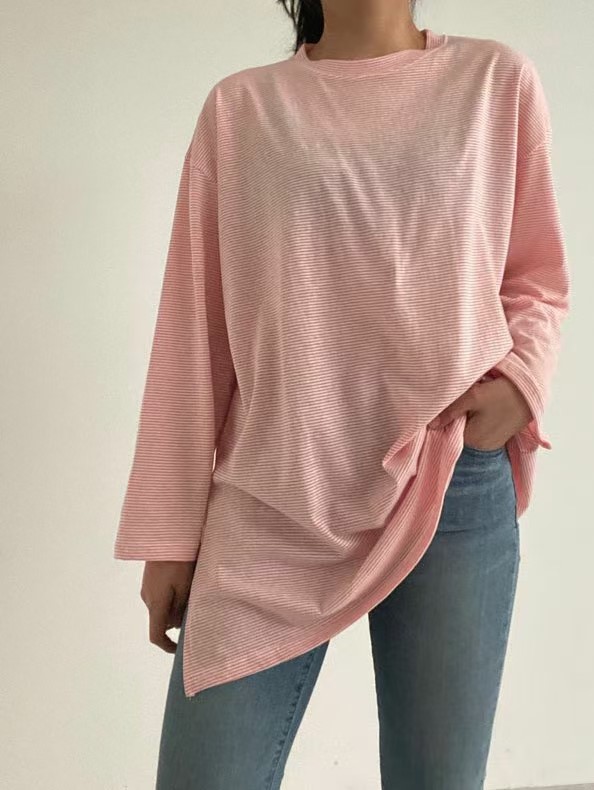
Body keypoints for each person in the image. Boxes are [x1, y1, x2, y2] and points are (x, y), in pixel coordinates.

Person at [113, 1, 571, 787]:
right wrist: (170, 537)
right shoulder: (243, 109)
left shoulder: (494, 80)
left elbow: (537, 277)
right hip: (275, 497)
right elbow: (194, 330)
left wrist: (521, 384)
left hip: (448, 480)